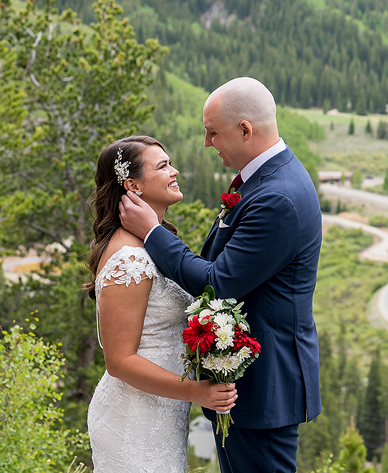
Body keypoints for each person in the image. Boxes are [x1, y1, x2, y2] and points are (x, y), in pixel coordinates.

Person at [119, 78, 323, 473]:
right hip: (241, 381)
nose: (207, 143)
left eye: (213, 132)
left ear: (245, 129)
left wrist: (153, 233)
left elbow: (220, 282)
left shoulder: (277, 196)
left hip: (264, 385)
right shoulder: (264, 179)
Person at [85, 136, 237, 472]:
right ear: (133, 186)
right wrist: (196, 391)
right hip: (133, 419)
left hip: (161, 411)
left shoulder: (152, 244)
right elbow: (119, 361)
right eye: (163, 166)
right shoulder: (129, 259)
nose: (175, 171)